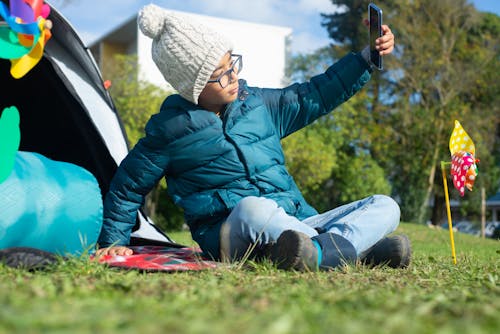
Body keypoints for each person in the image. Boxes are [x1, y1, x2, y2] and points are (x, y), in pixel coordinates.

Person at [96, 4, 411, 271]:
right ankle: (354, 250)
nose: (232, 76)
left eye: (232, 63)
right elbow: (127, 187)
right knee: (252, 208)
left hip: (298, 223)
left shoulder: (258, 105)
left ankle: (317, 252)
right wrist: (113, 243)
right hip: (232, 232)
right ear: (192, 85)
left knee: (386, 206)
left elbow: (315, 94)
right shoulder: (169, 131)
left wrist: (365, 58)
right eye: (219, 74)